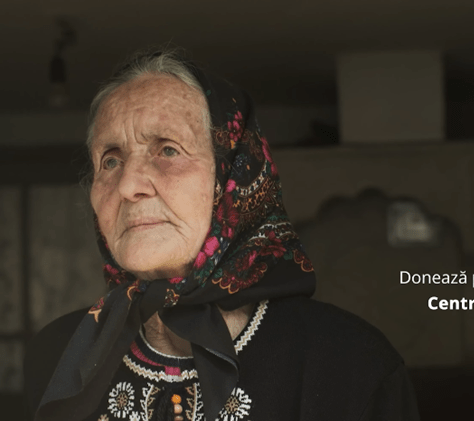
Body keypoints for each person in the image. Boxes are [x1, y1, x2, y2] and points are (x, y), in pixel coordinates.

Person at [24, 48, 420, 421]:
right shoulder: (59, 355)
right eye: (110, 161)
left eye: (168, 150)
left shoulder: (350, 363)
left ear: (234, 176)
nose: (128, 185)